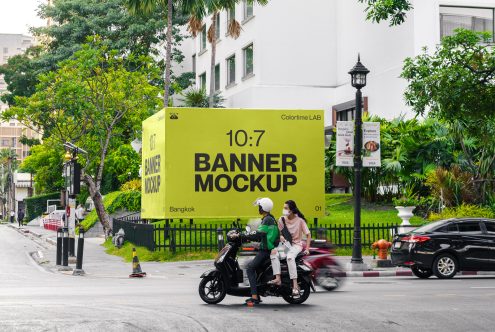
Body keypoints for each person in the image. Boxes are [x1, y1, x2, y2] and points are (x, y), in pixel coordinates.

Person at [232, 197, 279, 306]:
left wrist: (241, 235)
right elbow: (261, 235)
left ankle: (254, 296)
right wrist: (248, 237)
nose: (258, 208)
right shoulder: (269, 218)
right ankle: (257, 291)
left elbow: (258, 234)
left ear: (263, 208)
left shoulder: (267, 219)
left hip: (266, 250)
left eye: (259, 207)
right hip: (266, 248)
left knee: (250, 268)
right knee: (254, 267)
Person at [268, 200, 311, 295]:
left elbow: (308, 234)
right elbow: (277, 234)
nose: (284, 210)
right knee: (273, 253)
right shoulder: (281, 220)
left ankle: (295, 286)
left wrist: (307, 249)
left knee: (290, 257)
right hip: (286, 245)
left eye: (286, 208)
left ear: (291, 210)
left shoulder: (300, 221)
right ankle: (278, 278)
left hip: (296, 245)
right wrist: (280, 237)